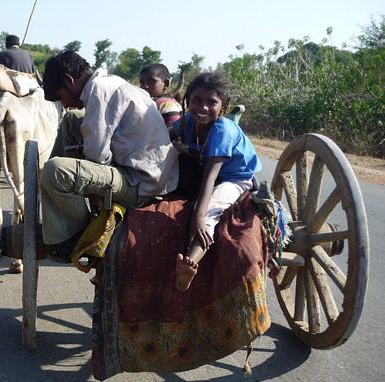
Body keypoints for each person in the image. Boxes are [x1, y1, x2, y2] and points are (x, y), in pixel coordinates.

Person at [40, 50, 180, 262]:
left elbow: (97, 157)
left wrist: (79, 161)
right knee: (70, 120)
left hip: (140, 183)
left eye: (60, 97)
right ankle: (58, 204)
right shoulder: (111, 82)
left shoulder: (98, 90)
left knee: (55, 170)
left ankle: (76, 235)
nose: (65, 104)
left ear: (69, 80)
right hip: (146, 172)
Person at [175, 72, 261, 291]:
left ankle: (190, 263)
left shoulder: (223, 130)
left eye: (211, 102)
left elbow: (211, 177)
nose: (202, 108)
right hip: (201, 170)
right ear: (188, 100)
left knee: (210, 208)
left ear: (223, 106)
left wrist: (199, 216)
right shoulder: (187, 122)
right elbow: (162, 138)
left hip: (234, 178)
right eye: (196, 100)